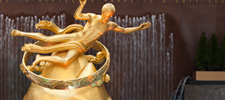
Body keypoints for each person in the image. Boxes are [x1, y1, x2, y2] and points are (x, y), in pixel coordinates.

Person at [11, 0, 151, 69]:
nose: (107, 17)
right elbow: (77, 15)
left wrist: (138, 28)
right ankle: (21, 33)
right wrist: (82, 5)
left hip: (82, 47)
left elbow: (125, 30)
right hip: (75, 37)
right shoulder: (92, 17)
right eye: (106, 13)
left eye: (110, 15)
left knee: (66, 61)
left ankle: (40, 57)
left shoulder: (110, 25)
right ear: (102, 11)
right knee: (48, 40)